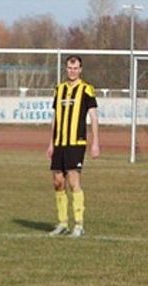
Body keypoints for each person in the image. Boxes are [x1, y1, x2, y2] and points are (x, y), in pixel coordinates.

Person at [46, 55, 99, 237]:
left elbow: (93, 117)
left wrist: (95, 143)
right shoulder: (59, 90)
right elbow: (55, 118)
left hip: (76, 142)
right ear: (66, 69)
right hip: (59, 143)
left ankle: (79, 224)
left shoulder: (86, 89)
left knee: (73, 181)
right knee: (58, 182)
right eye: (69, 68)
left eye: (75, 68)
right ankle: (62, 223)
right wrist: (51, 143)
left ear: (80, 69)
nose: (72, 71)